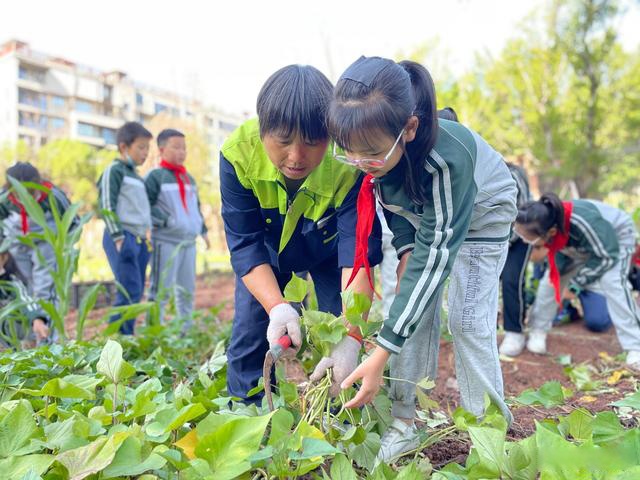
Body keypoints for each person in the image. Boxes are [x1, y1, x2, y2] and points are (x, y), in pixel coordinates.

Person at [329, 56, 518, 462]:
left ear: (409, 130)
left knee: (467, 322)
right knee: (409, 314)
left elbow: (437, 257)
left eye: (372, 154)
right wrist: (406, 251)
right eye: (350, 153)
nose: (362, 164)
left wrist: (380, 354)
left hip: (484, 213)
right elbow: (395, 209)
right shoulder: (376, 155)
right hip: (426, 219)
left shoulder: (447, 160)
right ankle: (404, 423)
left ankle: (488, 430)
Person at [220, 64, 382, 403]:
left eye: (312, 142)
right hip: (267, 249)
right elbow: (245, 243)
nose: (296, 156)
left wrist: (351, 336)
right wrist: (277, 306)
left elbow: (357, 254)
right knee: (251, 331)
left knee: (340, 332)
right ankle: (250, 413)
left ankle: (341, 411)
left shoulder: (349, 161)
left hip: (329, 250)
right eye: (282, 141)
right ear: (263, 130)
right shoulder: (237, 154)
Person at [513, 193, 640, 366]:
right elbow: (556, 273)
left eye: (529, 238)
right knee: (551, 281)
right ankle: (538, 330)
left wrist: (574, 285)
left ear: (550, 232)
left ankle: (635, 345)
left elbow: (607, 256)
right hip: (577, 243)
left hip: (614, 239)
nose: (525, 241)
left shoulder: (582, 222)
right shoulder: (551, 227)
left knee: (613, 282)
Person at [376, 107, 463, 320]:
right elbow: (397, 212)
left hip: (441, 239)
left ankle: (397, 336)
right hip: (403, 236)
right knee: (399, 288)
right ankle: (395, 332)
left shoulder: (448, 172)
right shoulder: (400, 164)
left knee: (434, 291)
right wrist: (406, 251)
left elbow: (437, 235)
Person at [0, 162, 77, 342]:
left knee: (45, 289)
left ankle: (47, 342)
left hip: (47, 244)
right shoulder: (3, 199)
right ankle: (27, 337)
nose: (26, 202)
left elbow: (73, 223)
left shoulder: (54, 196)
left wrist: (63, 248)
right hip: (16, 245)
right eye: (20, 196)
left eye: (31, 195)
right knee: (22, 288)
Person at [145, 129, 209, 330]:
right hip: (165, 241)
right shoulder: (155, 177)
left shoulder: (188, 178)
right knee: (161, 289)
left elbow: (195, 206)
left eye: (184, 148)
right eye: (176, 147)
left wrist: (203, 231)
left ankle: (185, 330)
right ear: (162, 149)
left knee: (186, 288)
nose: (182, 152)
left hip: (189, 242)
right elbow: (145, 206)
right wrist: (167, 221)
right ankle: (155, 331)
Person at [97, 121, 153, 335]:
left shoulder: (136, 176)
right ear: (123, 147)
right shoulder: (114, 170)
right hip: (123, 237)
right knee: (127, 290)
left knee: (136, 290)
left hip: (139, 239)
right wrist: (119, 238)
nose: (145, 153)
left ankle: (125, 335)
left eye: (147, 148)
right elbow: (106, 204)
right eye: (141, 147)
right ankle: (118, 338)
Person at [498, 162, 534, 356]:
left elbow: (523, 213)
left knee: (512, 280)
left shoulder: (512, 176)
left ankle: (515, 332)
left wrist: (503, 241)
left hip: (520, 235)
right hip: (495, 237)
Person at [0, 246, 49, 346]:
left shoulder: (12, 283)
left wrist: (37, 319)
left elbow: (25, 301)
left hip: (9, 336)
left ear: (4, 258)